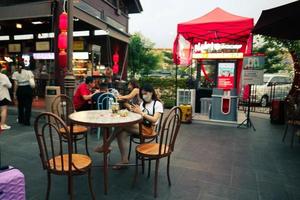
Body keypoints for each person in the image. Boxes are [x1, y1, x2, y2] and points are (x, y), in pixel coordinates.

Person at [94, 83, 164, 169]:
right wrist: (134, 110)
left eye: (146, 93)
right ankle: (124, 160)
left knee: (121, 125)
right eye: (142, 94)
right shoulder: (143, 103)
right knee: (121, 133)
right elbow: (139, 116)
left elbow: (154, 119)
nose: (144, 95)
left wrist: (141, 112)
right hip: (140, 126)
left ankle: (105, 146)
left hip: (149, 129)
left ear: (151, 93)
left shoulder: (157, 104)